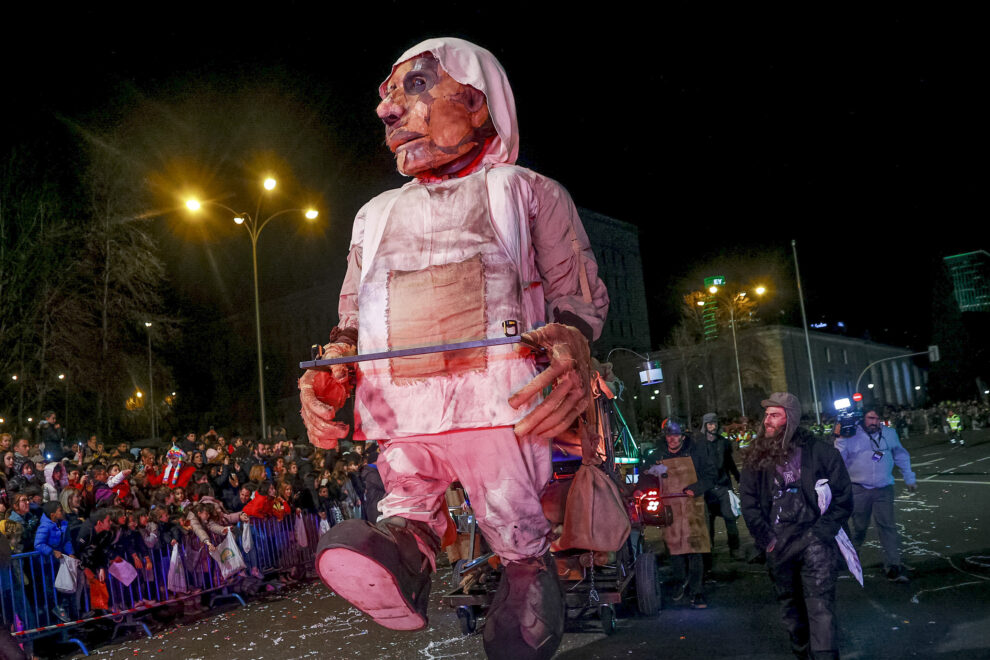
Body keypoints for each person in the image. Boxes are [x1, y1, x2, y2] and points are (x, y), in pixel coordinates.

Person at [300, 37, 608, 660]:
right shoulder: (373, 216)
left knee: (510, 510)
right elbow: (353, 319)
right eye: (387, 96)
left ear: (477, 105)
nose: (387, 112)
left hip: (502, 407)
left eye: (413, 89)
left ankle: (524, 578)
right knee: (406, 493)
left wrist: (572, 337)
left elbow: (576, 291)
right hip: (404, 413)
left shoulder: (526, 191)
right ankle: (406, 548)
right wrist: (334, 369)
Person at [740, 392, 852, 660]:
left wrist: (821, 533)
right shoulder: (756, 457)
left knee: (820, 605)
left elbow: (843, 497)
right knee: (791, 609)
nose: (767, 420)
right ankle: (802, 654)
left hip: (815, 542)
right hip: (779, 544)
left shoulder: (819, 451)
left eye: (774, 415)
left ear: (789, 419)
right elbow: (749, 503)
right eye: (766, 415)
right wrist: (766, 538)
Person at [834, 408, 916, 583]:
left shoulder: (889, 433)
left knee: (888, 527)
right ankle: (849, 560)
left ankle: (893, 565)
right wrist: (841, 439)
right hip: (859, 489)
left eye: (877, 418)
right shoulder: (851, 435)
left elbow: (900, 455)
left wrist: (909, 477)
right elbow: (838, 459)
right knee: (859, 529)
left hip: (884, 488)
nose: (875, 422)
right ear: (863, 419)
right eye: (871, 418)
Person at [646, 419, 714, 608]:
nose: (672, 439)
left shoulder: (696, 452)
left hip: (693, 507)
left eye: (676, 435)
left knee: (695, 550)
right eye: (669, 436)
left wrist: (697, 487)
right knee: (674, 549)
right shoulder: (658, 454)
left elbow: (710, 475)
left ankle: (697, 591)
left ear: (683, 436)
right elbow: (649, 475)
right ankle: (679, 582)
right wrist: (640, 488)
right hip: (671, 509)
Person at [700, 412, 741, 561]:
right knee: (707, 522)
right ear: (705, 425)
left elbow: (729, 462)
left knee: (730, 518)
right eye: (710, 424)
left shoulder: (723, 442)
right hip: (707, 489)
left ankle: (734, 549)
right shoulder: (699, 445)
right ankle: (708, 551)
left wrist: (738, 477)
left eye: (714, 423)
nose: (713, 426)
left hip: (723, 486)